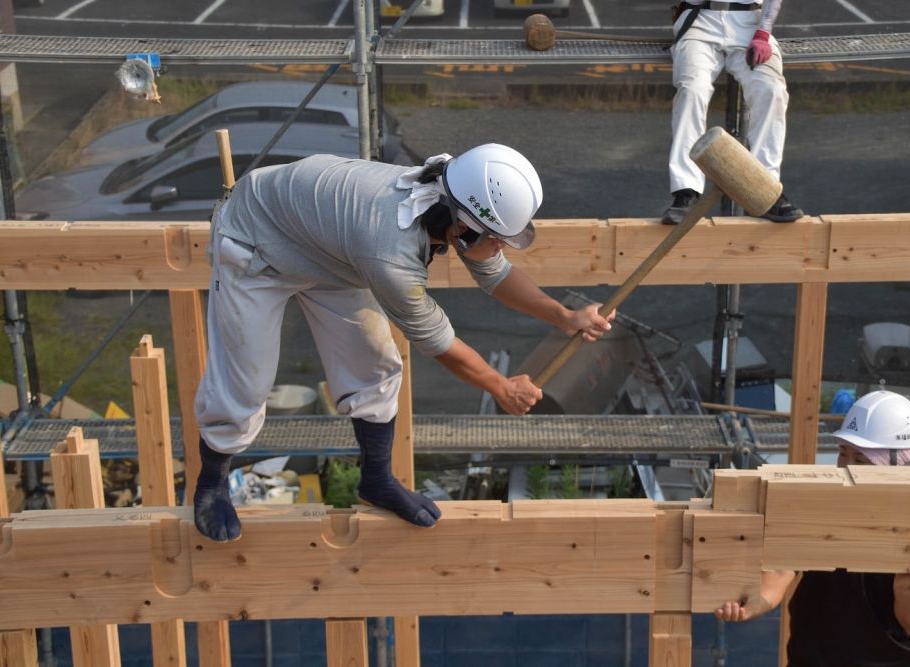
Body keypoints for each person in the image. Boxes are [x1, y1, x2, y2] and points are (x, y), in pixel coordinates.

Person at [192, 144, 616, 542]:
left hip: (326, 247)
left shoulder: (450, 193)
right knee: (247, 380)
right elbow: (439, 341)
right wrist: (500, 387)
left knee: (376, 365)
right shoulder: (389, 252)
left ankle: (376, 479)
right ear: (463, 227)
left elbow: (496, 274)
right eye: (495, 238)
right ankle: (212, 482)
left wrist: (565, 316)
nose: (500, 248)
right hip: (256, 244)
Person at [714, 390, 910, 666]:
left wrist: (905, 590)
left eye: (861, 459)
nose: (846, 466)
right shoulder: (818, 508)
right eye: (843, 453)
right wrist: (751, 603)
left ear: (901, 466)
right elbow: (780, 572)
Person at [662, 0, 804, 225]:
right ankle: (686, 191)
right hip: (700, 20)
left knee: (771, 90)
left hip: (750, 23)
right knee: (692, 90)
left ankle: (765, 188)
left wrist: (763, 33)